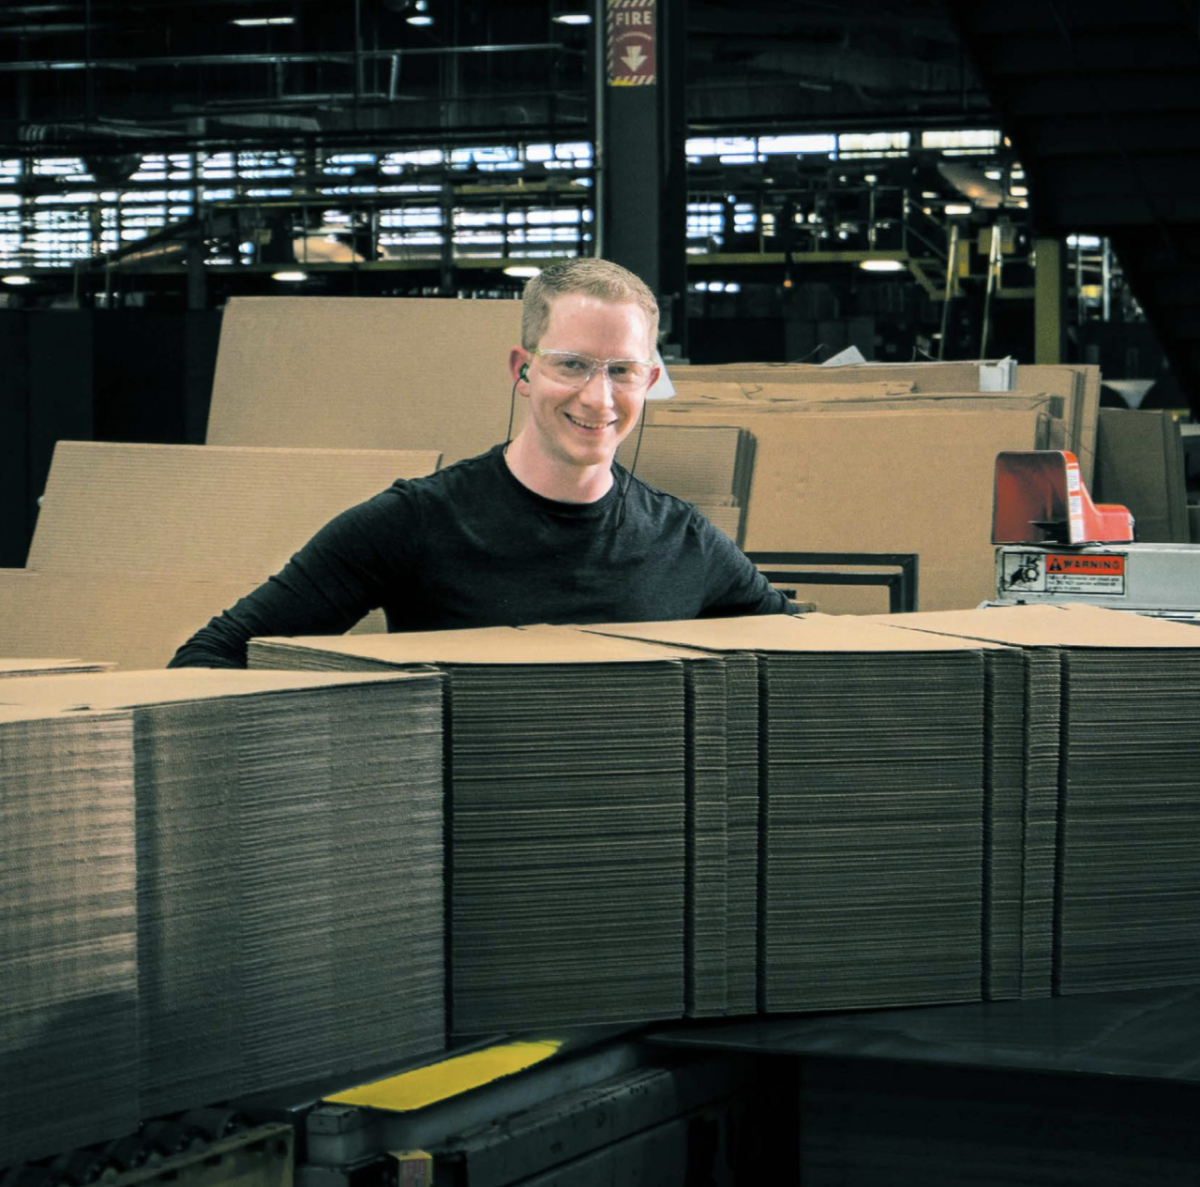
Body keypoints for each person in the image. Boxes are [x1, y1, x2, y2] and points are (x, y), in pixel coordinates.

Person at [169, 258, 793, 668]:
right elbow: (214, 656)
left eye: (622, 372)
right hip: (458, 853)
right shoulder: (417, 522)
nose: (598, 398)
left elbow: (810, 654)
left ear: (649, 379)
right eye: (571, 364)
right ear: (523, 370)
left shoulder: (685, 543)